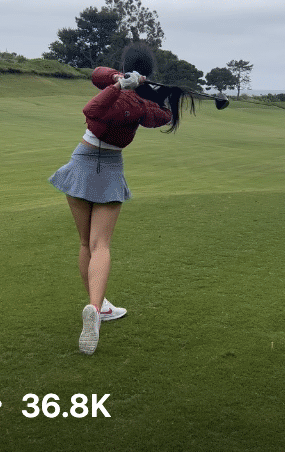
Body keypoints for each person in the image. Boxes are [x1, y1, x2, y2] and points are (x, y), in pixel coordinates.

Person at [48, 43, 196, 355]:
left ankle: (97, 306)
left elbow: (98, 93)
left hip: (80, 161)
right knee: (100, 244)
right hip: (110, 168)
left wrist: (126, 85)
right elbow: (154, 115)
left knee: (86, 244)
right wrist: (130, 85)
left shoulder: (126, 92)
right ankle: (95, 309)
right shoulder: (134, 98)